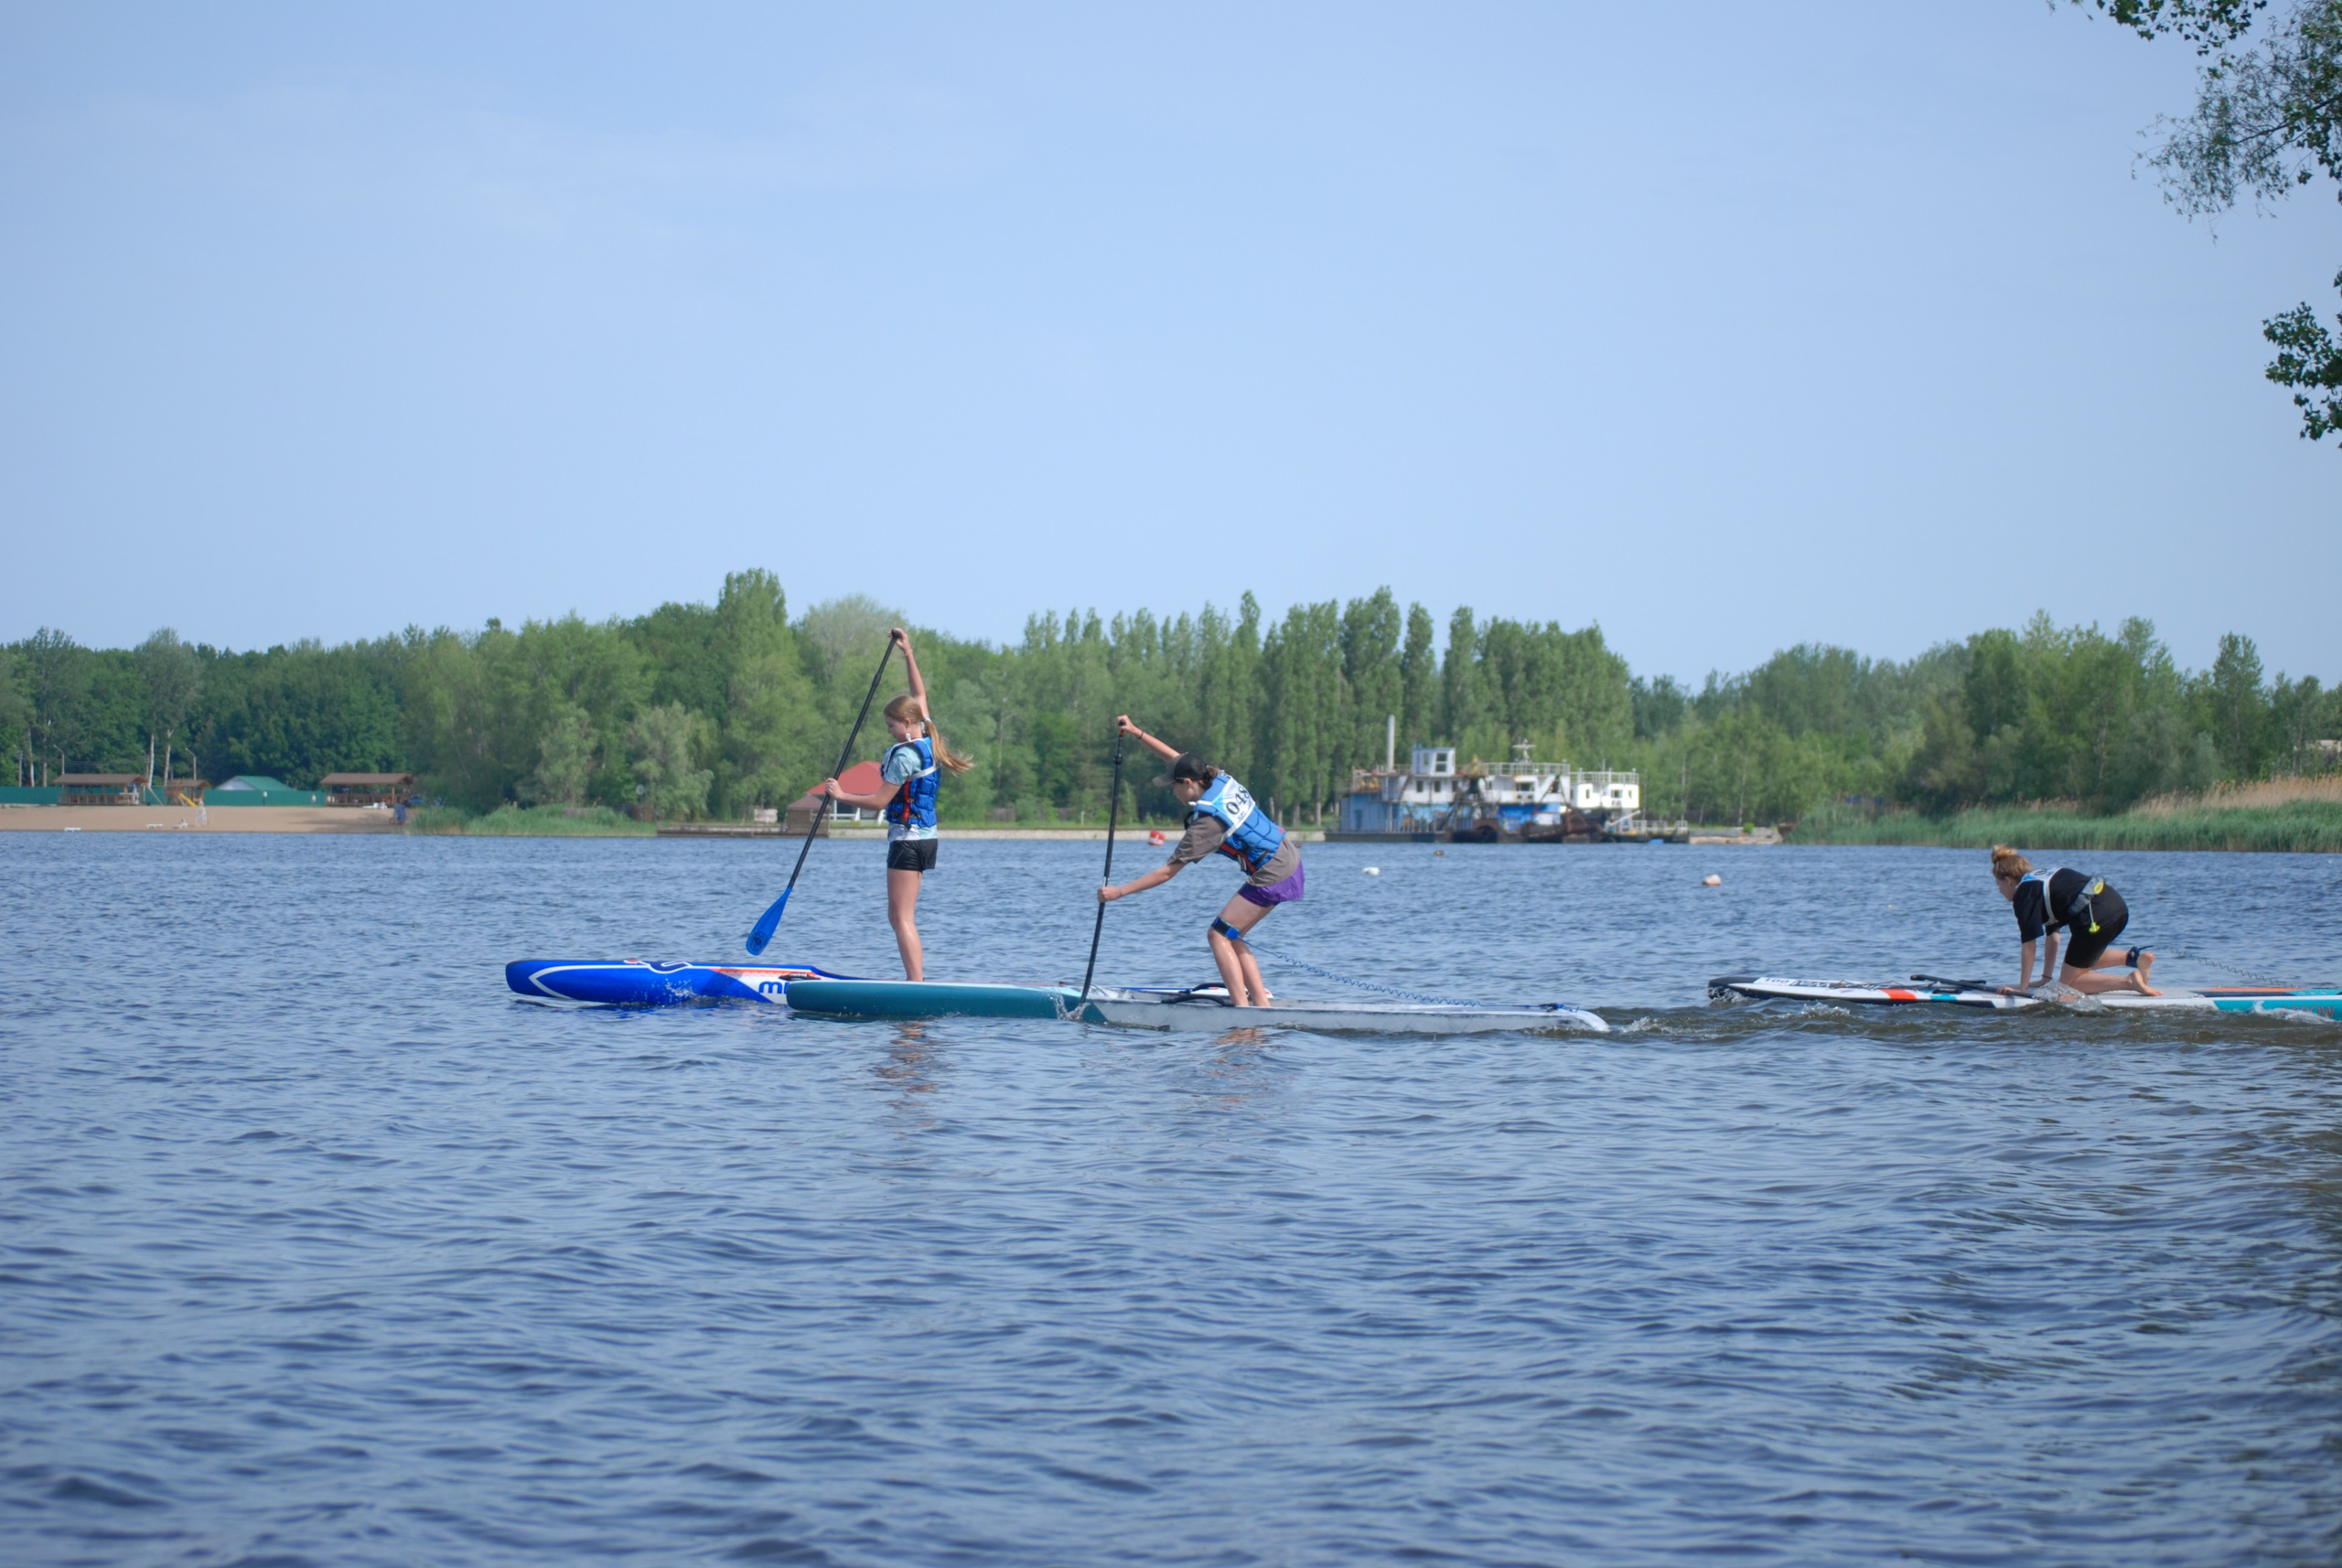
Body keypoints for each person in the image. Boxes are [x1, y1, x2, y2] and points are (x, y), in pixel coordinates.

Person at [1096, 715, 1304, 1007]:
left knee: (1218, 935)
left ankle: (1241, 1011)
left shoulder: (1208, 822)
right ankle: (1260, 1007)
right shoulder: (1219, 778)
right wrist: (1136, 733)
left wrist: (1119, 892)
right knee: (1232, 934)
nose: (1173, 791)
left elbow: (1167, 872)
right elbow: (1177, 759)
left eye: (1174, 786)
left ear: (1190, 784)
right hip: (1288, 857)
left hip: (1274, 871)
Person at [821, 628, 972, 981]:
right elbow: (919, 694)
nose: (888, 730)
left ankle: (915, 984)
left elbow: (878, 801)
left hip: (906, 841)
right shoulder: (927, 736)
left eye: (891, 725)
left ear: (907, 724)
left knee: (900, 917)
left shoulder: (906, 757)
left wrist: (841, 795)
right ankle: (915, 981)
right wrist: (908, 653)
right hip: (927, 840)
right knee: (903, 916)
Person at [1990, 845, 2158, 996]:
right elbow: (2053, 938)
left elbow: (2029, 946)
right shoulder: (2040, 881)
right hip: (2117, 907)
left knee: (2066, 986)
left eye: (1998, 884)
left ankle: (2129, 982)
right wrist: (2045, 979)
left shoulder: (2023, 895)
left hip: (2095, 916)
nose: (1999, 891)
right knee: (2078, 960)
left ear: (2009, 881)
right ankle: (2135, 959)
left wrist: (2022, 988)